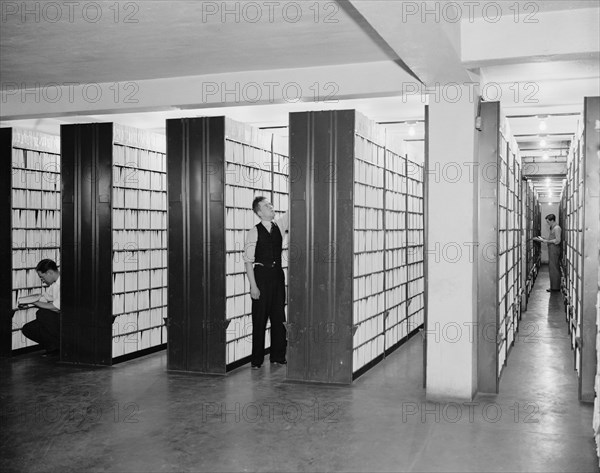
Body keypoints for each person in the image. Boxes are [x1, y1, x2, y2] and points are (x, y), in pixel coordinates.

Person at [243, 196, 289, 369]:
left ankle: (278, 356)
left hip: (277, 276)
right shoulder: (254, 231)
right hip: (261, 275)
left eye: (270, 204)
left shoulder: (280, 226)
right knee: (259, 319)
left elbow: (291, 212)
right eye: (266, 206)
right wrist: (253, 286)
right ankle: (257, 360)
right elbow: (248, 261)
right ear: (259, 212)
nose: (271, 207)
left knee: (279, 317)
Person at [21, 259, 61, 356]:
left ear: (50, 273)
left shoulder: (63, 283)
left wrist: (34, 302)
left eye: (42, 277)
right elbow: (45, 298)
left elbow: (56, 307)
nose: (42, 281)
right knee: (28, 328)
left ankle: (62, 345)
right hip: (60, 318)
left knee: (43, 314)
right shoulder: (54, 284)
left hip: (72, 321)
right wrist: (28, 302)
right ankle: (54, 348)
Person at [534, 214, 562, 292]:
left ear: (552, 220)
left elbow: (557, 240)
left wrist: (546, 241)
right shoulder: (553, 228)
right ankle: (553, 286)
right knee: (552, 268)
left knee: (554, 268)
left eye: (548, 221)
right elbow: (552, 238)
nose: (547, 223)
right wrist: (542, 238)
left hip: (554, 249)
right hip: (552, 249)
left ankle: (555, 287)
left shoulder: (557, 228)